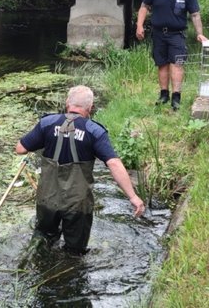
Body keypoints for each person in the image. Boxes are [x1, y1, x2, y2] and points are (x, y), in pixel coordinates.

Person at [15, 85, 145, 255]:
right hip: (77, 205)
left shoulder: (47, 123)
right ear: (90, 108)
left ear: (67, 103)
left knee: (44, 240)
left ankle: (40, 267)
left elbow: (20, 149)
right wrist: (133, 196)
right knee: (75, 252)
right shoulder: (95, 131)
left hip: (47, 199)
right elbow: (114, 164)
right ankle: (70, 273)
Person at [135, 0, 206, 111]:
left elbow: (195, 15)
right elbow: (144, 6)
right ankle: (164, 95)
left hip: (177, 35)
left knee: (177, 64)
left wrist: (200, 34)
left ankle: (176, 98)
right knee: (162, 64)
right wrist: (139, 25)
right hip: (159, 33)